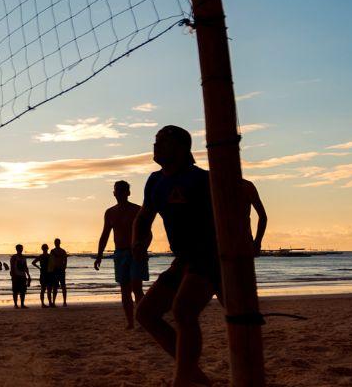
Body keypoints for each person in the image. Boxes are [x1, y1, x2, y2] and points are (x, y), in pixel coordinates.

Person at [131, 125, 267, 386]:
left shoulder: (203, 180)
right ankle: (195, 376)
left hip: (211, 256)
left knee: (184, 310)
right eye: (155, 141)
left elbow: (236, 218)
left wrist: (250, 245)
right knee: (146, 314)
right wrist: (139, 242)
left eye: (162, 141)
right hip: (183, 259)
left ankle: (183, 379)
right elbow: (144, 216)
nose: (155, 146)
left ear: (181, 148)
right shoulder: (155, 181)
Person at [95, 180, 146, 328]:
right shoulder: (110, 212)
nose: (120, 193)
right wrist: (99, 255)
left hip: (135, 252)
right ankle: (130, 323)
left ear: (128, 193)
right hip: (120, 253)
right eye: (118, 190)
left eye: (123, 190)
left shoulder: (137, 210)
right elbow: (104, 235)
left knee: (137, 288)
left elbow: (147, 233)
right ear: (114, 193)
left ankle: (143, 321)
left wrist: (142, 248)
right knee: (125, 290)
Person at [9, 244, 31, 309]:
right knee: (15, 291)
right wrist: (13, 276)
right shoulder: (14, 257)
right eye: (19, 248)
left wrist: (28, 275)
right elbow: (12, 267)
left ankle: (22, 304)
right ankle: (15, 304)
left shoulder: (23, 257)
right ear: (17, 249)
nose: (21, 249)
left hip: (23, 276)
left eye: (21, 248)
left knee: (23, 291)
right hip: (16, 276)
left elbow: (25, 267)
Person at [49, 238, 69, 307]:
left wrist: (64, 267)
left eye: (57, 242)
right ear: (54, 243)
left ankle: (64, 302)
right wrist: (51, 270)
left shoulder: (63, 251)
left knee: (63, 286)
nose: (56, 243)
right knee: (55, 287)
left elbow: (65, 260)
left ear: (59, 243)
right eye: (56, 242)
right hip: (55, 271)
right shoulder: (52, 251)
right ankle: (54, 302)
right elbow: (51, 261)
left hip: (61, 270)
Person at [31, 243, 52, 308]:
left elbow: (33, 262)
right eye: (45, 248)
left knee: (46, 289)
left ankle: (47, 303)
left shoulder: (44, 256)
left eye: (45, 248)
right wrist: (39, 268)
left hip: (46, 273)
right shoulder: (47, 256)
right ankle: (45, 303)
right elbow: (33, 262)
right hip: (46, 273)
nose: (45, 249)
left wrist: (39, 268)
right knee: (45, 289)